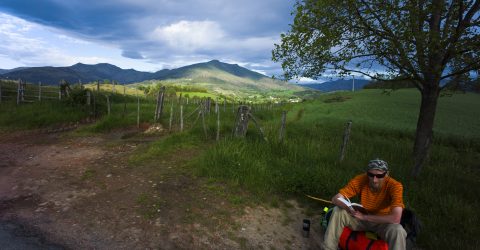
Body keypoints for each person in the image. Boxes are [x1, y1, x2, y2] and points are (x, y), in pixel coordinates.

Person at [322, 159, 407, 250]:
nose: (374, 180)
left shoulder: (395, 186)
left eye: (379, 176)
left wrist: (365, 217)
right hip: (361, 219)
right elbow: (335, 198)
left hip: (382, 222)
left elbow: (396, 218)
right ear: (367, 173)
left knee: (398, 230)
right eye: (371, 175)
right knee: (338, 211)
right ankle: (328, 248)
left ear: (387, 174)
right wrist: (348, 208)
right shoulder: (361, 179)